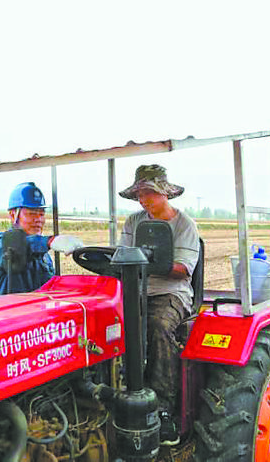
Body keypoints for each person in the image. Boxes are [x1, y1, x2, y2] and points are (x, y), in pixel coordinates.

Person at [118, 164, 199, 446]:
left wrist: (149, 262)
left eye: (149, 192)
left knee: (158, 326)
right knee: (107, 327)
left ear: (164, 193)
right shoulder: (133, 222)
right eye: (139, 193)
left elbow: (183, 269)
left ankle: (164, 409)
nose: (143, 199)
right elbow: (123, 255)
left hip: (171, 293)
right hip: (134, 290)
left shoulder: (184, 225)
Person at [0, 182, 85, 296]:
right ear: (13, 215)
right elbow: (17, 248)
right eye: (32, 213)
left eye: (41, 214)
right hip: (1, 312)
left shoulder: (44, 257)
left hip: (33, 312)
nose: (38, 220)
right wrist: (49, 241)